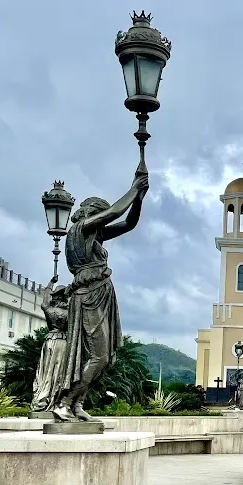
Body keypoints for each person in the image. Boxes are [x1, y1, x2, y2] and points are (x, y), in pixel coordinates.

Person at [53, 170, 149, 422]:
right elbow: (116, 212)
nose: (102, 222)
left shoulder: (95, 235)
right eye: (100, 215)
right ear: (91, 213)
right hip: (88, 296)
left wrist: (139, 197)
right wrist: (133, 188)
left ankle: (76, 404)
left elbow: (129, 223)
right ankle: (65, 401)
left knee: (101, 358)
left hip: (100, 294)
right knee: (99, 355)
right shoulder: (80, 228)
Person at [31, 274, 69, 413]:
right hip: (62, 343)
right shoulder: (69, 312)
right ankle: (55, 400)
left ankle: (42, 399)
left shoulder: (49, 309)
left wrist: (51, 282)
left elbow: (44, 299)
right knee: (58, 372)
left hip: (49, 342)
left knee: (46, 371)